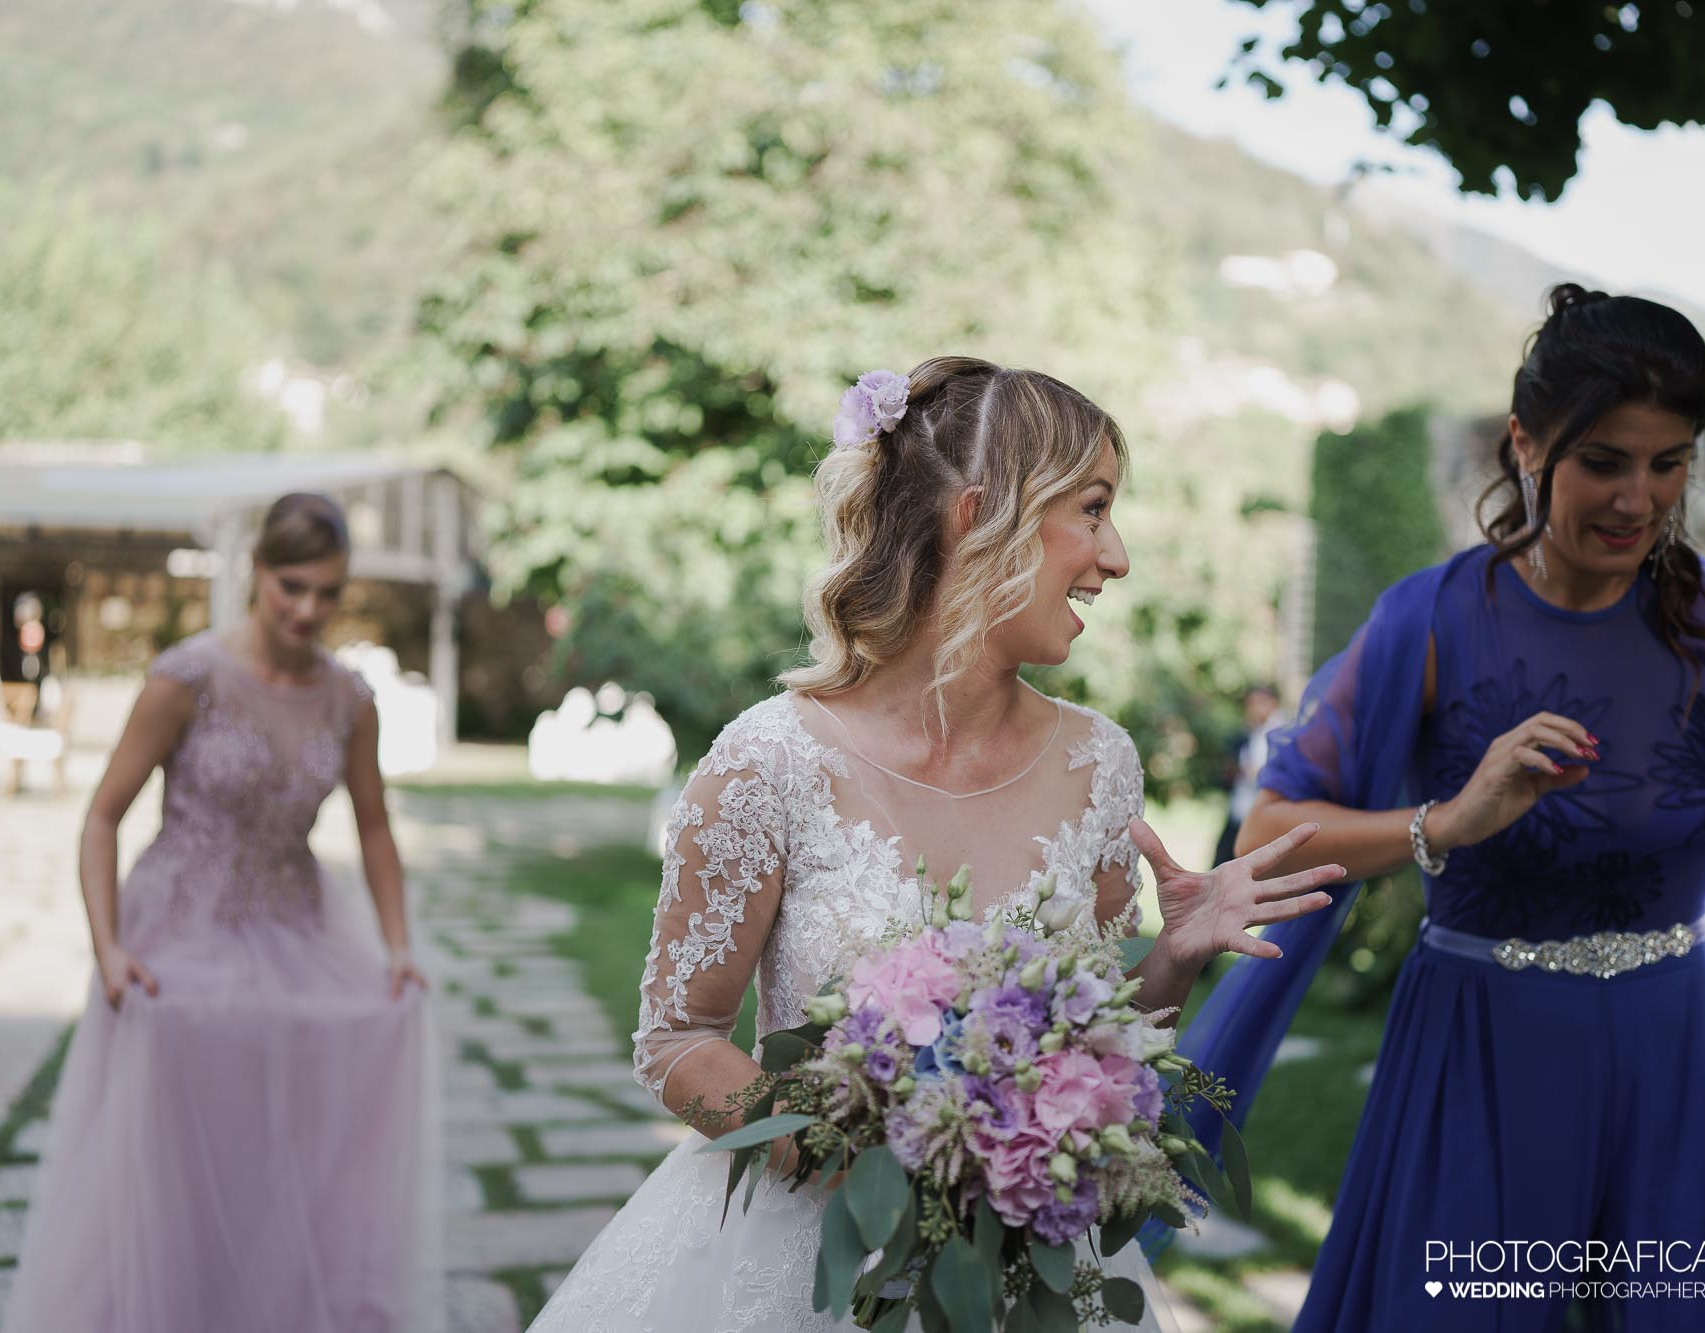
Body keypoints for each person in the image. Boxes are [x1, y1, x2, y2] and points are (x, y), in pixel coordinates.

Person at [529, 357, 1343, 1332]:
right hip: (805, 1266)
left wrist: (1171, 956)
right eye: (1091, 511)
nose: (1117, 556)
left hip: (1026, 1283)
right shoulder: (768, 762)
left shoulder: (1100, 766)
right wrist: (866, 1166)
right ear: (979, 516)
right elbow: (676, 1040)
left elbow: (1095, 1062)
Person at [1180, 286, 1705, 1331]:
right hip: (1482, 1044)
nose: (1637, 499)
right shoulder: (1427, 619)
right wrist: (1447, 821)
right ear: (1524, 442)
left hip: (1682, 1048)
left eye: (1668, 463)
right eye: (1604, 461)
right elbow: (1268, 831)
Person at [1, 493, 440, 1333]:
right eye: (291, 586)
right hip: (178, 925)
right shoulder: (186, 678)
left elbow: (376, 826)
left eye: (327, 592)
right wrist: (108, 948)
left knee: (289, 1137)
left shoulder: (350, 699)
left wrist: (397, 946)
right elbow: (101, 818)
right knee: (174, 1146)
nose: (308, 609)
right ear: (256, 571)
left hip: (296, 924)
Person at [1215, 683, 1282, 866]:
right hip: (1239, 811)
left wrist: (1253, 772)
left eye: (1259, 703)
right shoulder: (1249, 733)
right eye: (1250, 704)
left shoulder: (1280, 733)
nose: (1253, 709)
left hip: (1261, 817)